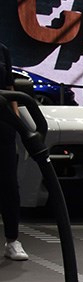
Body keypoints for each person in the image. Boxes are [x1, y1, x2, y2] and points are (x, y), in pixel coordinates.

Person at [1, 42, 28, 260]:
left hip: (3, 126)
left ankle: (12, 240)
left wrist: (18, 125)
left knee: (9, 184)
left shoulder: (3, 51)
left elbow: (10, 90)